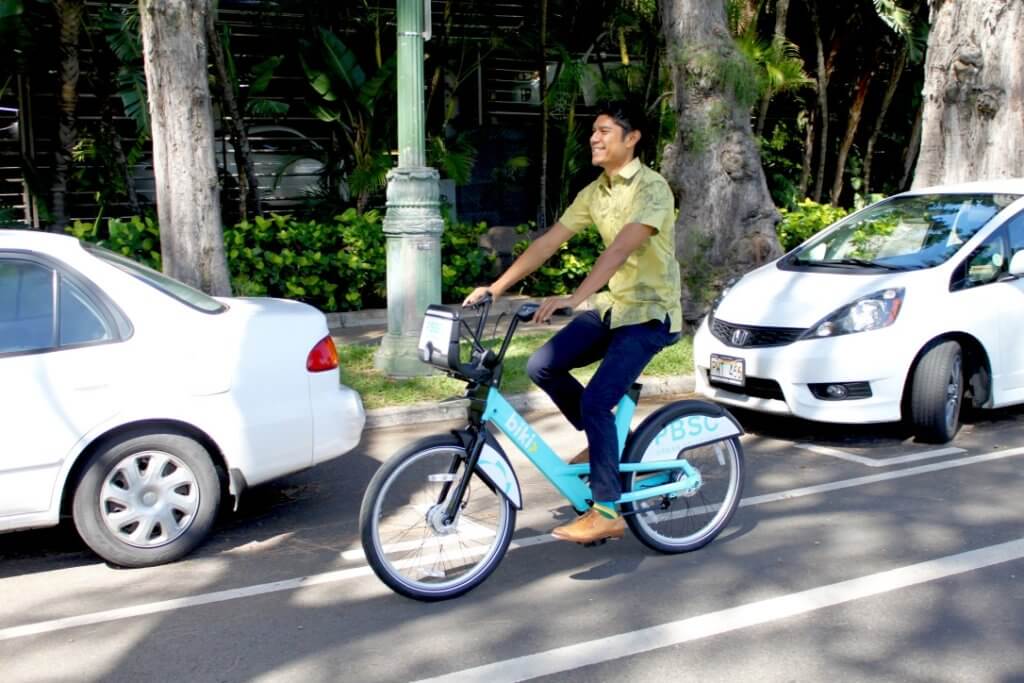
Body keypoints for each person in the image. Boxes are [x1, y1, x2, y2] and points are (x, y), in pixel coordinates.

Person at [463, 99, 682, 545]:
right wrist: (497, 287)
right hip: (612, 307)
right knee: (542, 365)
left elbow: (620, 248)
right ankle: (607, 446)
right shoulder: (595, 191)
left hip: (648, 314)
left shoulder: (652, 189)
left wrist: (574, 297)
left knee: (598, 401)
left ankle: (606, 510)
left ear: (632, 137)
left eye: (604, 131)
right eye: (594, 131)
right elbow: (548, 243)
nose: (594, 138)